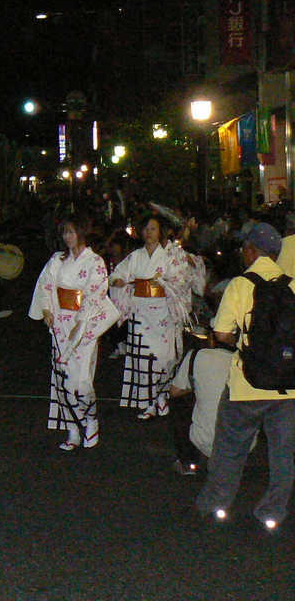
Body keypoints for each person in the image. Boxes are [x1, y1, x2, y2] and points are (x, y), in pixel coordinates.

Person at [195, 222, 295, 530]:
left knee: (230, 448)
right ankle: (272, 514)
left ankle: (217, 505)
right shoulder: (292, 285)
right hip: (288, 387)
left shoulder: (240, 285)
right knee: (282, 455)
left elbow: (222, 332)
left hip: (246, 384)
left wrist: (242, 340)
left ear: (252, 251)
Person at [29, 212, 120, 450]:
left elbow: (95, 293)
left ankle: (90, 420)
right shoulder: (57, 259)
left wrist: (81, 323)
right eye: (65, 232)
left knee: (81, 380)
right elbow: (45, 286)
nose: (68, 236)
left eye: (72, 231)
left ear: (82, 233)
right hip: (60, 321)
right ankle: (72, 428)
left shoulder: (95, 262)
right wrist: (47, 310)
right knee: (63, 377)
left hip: (85, 324)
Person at [109, 214, 192, 419]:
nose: (149, 232)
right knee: (143, 359)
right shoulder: (135, 256)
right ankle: (149, 402)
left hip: (163, 311)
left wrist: (163, 283)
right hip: (140, 311)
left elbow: (182, 279)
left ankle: (160, 393)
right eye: (145, 228)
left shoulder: (171, 255)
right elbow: (116, 274)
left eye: (153, 228)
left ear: (160, 231)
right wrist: (117, 281)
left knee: (166, 358)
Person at [167, 342, 233, 475]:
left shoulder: (197, 355)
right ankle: (238, 463)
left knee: (179, 402)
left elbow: (174, 391)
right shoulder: (248, 357)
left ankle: (188, 462)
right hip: (242, 442)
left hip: (204, 440)